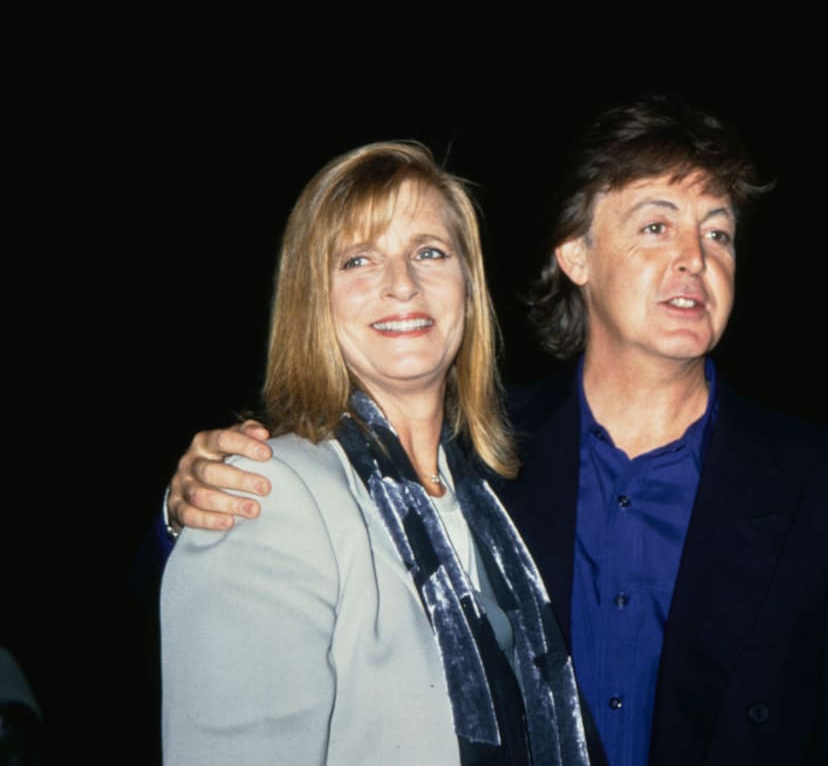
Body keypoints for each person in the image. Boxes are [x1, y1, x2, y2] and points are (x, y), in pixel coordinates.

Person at [160, 96, 828, 765]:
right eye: (657, 225)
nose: (695, 258)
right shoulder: (482, 454)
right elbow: (233, 609)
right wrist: (185, 502)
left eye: (718, 234)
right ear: (575, 254)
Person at [159, 141, 589, 765]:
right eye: (359, 260)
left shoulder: (488, 498)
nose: (402, 285)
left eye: (429, 252)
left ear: (468, 287)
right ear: (314, 300)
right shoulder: (266, 491)